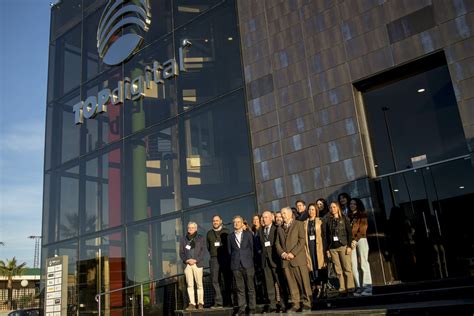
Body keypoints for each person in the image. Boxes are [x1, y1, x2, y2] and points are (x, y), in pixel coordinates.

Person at [275, 207, 312, 312]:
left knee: (303, 282)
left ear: (291, 214)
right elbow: (277, 243)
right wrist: (282, 253)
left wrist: (293, 253)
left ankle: (307, 302)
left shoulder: (299, 224)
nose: (283, 215)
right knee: (291, 284)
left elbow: (302, 240)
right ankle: (295, 304)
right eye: (281, 214)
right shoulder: (279, 228)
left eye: (284, 213)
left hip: (298, 259)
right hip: (286, 261)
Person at [257, 211, 287, 312]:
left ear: (271, 218)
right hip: (265, 261)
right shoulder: (260, 230)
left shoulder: (276, 228)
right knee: (269, 284)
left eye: (266, 217)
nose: (263, 219)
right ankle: (273, 305)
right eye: (263, 217)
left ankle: (284, 303)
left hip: (275, 260)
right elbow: (259, 245)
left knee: (280, 282)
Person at [324, 202, 355, 295]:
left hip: (343, 246)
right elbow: (327, 236)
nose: (332, 209)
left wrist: (349, 246)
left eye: (334, 207)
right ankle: (342, 288)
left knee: (347, 268)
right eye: (331, 207)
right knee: (338, 270)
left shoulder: (344, 218)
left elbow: (349, 233)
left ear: (338, 208)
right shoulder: (328, 220)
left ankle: (350, 287)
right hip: (333, 248)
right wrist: (327, 249)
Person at [228, 216, 256, 314]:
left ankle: (252, 308)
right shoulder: (230, 236)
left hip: (248, 264)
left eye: (238, 222)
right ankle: (242, 308)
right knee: (240, 288)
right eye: (234, 222)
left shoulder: (248, 234)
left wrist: (249, 260)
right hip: (236, 266)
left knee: (250, 287)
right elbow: (229, 252)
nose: (236, 224)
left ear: (241, 223)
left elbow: (252, 249)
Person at [206, 215, 232, 308]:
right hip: (214, 259)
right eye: (214, 221)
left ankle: (228, 301)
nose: (215, 222)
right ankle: (218, 302)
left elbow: (229, 245)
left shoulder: (227, 231)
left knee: (227, 279)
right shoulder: (209, 233)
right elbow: (208, 247)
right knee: (215, 280)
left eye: (217, 220)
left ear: (221, 221)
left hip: (225, 258)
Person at [349, 198, 373, 296]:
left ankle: (367, 288)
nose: (352, 205)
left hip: (361, 239)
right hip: (351, 242)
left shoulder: (362, 215)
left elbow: (363, 229)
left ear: (358, 205)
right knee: (354, 266)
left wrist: (355, 239)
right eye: (351, 204)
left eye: (354, 204)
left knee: (364, 263)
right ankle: (359, 287)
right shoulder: (348, 216)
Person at [179, 222, 205, 310]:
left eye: (193, 228)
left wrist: (195, 260)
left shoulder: (200, 238)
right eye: (189, 228)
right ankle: (192, 304)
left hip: (198, 264)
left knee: (199, 285)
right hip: (188, 265)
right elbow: (181, 253)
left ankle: (200, 303)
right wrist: (187, 260)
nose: (191, 229)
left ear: (196, 229)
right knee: (190, 285)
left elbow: (203, 251)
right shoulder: (183, 239)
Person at [304, 203, 326, 298]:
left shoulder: (320, 221)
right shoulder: (305, 223)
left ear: (316, 211)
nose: (311, 211)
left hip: (319, 247)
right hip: (309, 247)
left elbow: (324, 235)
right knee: (312, 267)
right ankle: (316, 287)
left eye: (313, 209)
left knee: (320, 265)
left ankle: (323, 288)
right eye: (309, 209)